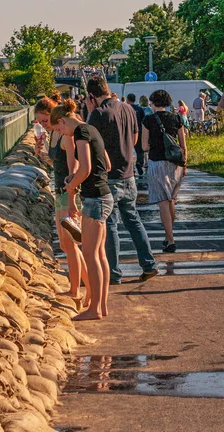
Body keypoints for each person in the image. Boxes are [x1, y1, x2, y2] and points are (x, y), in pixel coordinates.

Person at [85, 77, 159, 283]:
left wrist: (90, 111)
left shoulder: (98, 114)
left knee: (110, 225)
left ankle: (114, 273)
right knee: (133, 221)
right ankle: (149, 264)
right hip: (129, 175)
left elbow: (88, 144)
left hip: (109, 177)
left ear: (92, 96)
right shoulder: (127, 108)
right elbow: (134, 139)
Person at [50, 99, 114, 321]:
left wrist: (71, 185)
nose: (63, 134)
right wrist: (75, 179)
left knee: (89, 253)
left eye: (60, 129)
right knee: (99, 254)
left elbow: (85, 168)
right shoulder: (91, 128)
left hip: (95, 198)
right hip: (103, 195)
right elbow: (106, 165)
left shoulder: (80, 132)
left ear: (62, 121)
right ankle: (101, 305)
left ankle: (94, 308)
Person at [34, 95, 90, 303]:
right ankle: (81, 287)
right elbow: (58, 163)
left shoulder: (65, 135)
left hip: (68, 193)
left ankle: (78, 289)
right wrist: (43, 156)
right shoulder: (55, 135)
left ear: (55, 116)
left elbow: (73, 166)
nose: (43, 126)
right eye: (40, 123)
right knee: (67, 245)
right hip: (60, 192)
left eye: (45, 121)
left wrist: (71, 196)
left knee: (71, 242)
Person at [142, 90, 187, 253]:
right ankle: (169, 237)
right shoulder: (177, 118)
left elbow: (144, 147)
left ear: (154, 103)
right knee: (171, 201)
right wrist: (185, 165)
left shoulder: (148, 120)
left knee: (163, 202)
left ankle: (171, 240)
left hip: (157, 162)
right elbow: (183, 145)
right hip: (176, 164)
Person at [126, 93, 145, 177]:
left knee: (127, 150)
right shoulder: (139, 109)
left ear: (127, 99)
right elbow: (143, 121)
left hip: (127, 132)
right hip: (138, 131)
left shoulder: (125, 108)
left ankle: (130, 168)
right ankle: (139, 163)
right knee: (140, 150)